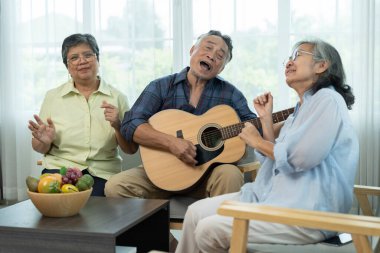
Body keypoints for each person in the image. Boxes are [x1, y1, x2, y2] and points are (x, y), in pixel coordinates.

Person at [175, 38, 359, 253]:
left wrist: (257, 140)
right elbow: (275, 159)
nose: (289, 62)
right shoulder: (301, 109)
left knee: (209, 229)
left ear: (322, 65)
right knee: (195, 212)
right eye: (289, 58)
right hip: (269, 198)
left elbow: (301, 158)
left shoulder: (328, 100)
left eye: (298, 55)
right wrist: (265, 119)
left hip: (306, 213)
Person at [104, 30, 257, 200]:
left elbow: (253, 126)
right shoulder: (161, 86)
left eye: (220, 56)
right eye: (208, 48)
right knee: (115, 186)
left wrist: (269, 120)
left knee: (231, 174)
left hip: (208, 176)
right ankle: (156, 228)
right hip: (161, 173)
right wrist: (171, 143)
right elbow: (131, 124)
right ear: (192, 50)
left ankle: (214, 227)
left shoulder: (231, 94)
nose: (212, 56)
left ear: (222, 67)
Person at [28, 33, 138, 196]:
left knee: (95, 211)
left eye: (88, 55)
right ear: (67, 66)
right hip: (59, 170)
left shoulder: (118, 98)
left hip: (101, 174)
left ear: (97, 59)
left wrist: (117, 125)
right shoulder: (52, 97)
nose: (82, 61)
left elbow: (130, 149)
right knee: (53, 208)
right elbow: (39, 147)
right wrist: (44, 142)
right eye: (74, 57)